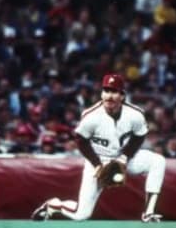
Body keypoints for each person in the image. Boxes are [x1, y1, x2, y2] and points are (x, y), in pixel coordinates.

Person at [31, 74, 166, 222]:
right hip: (98, 159)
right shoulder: (91, 116)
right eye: (106, 91)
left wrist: (125, 156)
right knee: (81, 215)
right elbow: (81, 140)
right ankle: (53, 206)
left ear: (122, 95)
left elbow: (139, 135)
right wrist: (96, 164)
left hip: (124, 156)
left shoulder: (135, 114)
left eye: (114, 91)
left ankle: (149, 212)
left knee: (158, 161)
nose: (109, 96)